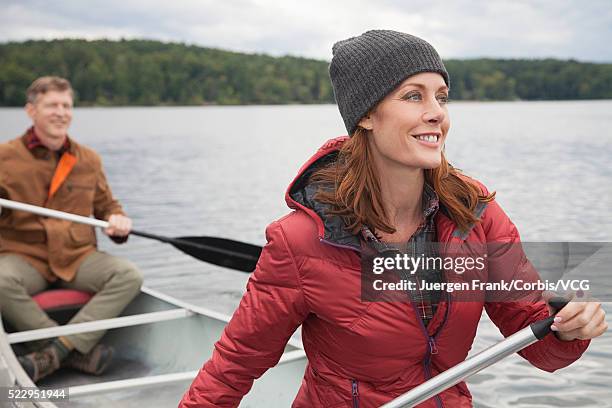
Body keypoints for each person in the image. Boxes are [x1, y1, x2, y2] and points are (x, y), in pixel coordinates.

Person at [179, 31, 607, 407]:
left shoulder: (475, 215)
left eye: (441, 96)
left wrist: (569, 331)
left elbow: (534, 337)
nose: (437, 112)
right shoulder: (300, 241)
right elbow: (235, 364)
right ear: (366, 115)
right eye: (413, 96)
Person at [0, 76, 143, 383]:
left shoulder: (88, 159)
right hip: (26, 257)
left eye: (66, 105)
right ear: (31, 111)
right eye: (52, 105)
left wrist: (118, 220)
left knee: (128, 275)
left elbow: (108, 207)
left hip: (77, 256)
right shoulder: (4, 157)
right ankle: (74, 352)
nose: (61, 112)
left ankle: (53, 355)